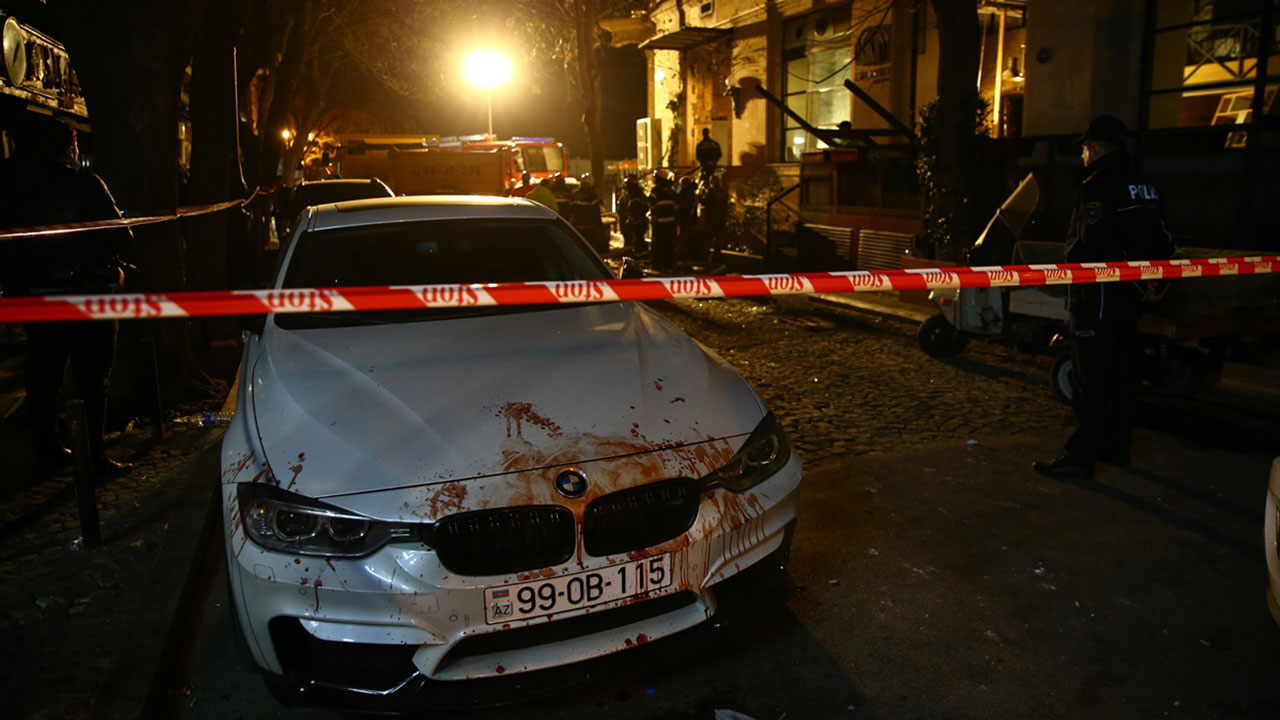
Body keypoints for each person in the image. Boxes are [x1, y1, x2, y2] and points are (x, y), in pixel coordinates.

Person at [1033, 115, 1176, 481]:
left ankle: (1080, 458)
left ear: (1094, 148)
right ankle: (1116, 447)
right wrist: (1153, 284)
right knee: (1120, 377)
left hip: (1096, 300)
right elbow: (1165, 240)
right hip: (1130, 302)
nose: (1082, 156)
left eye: (1084, 149)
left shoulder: (1098, 186)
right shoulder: (1145, 185)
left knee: (1091, 381)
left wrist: (1073, 286)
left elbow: (1087, 248)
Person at [0, 119, 134, 475]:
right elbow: (121, 237)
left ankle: (45, 445)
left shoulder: (10, 190)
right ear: (65, 149)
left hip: (33, 295)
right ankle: (92, 455)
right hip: (87, 293)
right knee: (93, 376)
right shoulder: (83, 185)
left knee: (44, 370)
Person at [648, 171, 679, 272]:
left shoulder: (655, 190)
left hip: (659, 223)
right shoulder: (671, 191)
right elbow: (676, 207)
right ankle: (669, 265)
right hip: (671, 223)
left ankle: (657, 266)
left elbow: (651, 205)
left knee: (657, 244)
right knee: (669, 244)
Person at [568, 178, 607, 254]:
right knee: (590, 245)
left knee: (579, 243)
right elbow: (596, 211)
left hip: (578, 224)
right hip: (590, 225)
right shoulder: (593, 194)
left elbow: (570, 210)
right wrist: (599, 223)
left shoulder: (574, 194)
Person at [699, 174, 730, 264]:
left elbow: (706, 203)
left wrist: (699, 198)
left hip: (712, 219)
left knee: (709, 239)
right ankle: (717, 257)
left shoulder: (711, 191)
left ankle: (706, 258)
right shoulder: (723, 191)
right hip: (721, 218)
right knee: (718, 239)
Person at [622, 177, 650, 256]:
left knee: (638, 238)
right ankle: (642, 253)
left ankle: (639, 254)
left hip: (637, 221)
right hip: (641, 220)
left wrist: (631, 218)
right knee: (639, 237)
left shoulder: (634, 196)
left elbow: (634, 208)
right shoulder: (641, 195)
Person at [675, 175, 698, 263]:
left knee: (683, 237)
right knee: (687, 237)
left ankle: (683, 256)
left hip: (684, 219)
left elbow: (681, 206)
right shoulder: (692, 193)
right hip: (690, 219)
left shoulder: (683, 193)